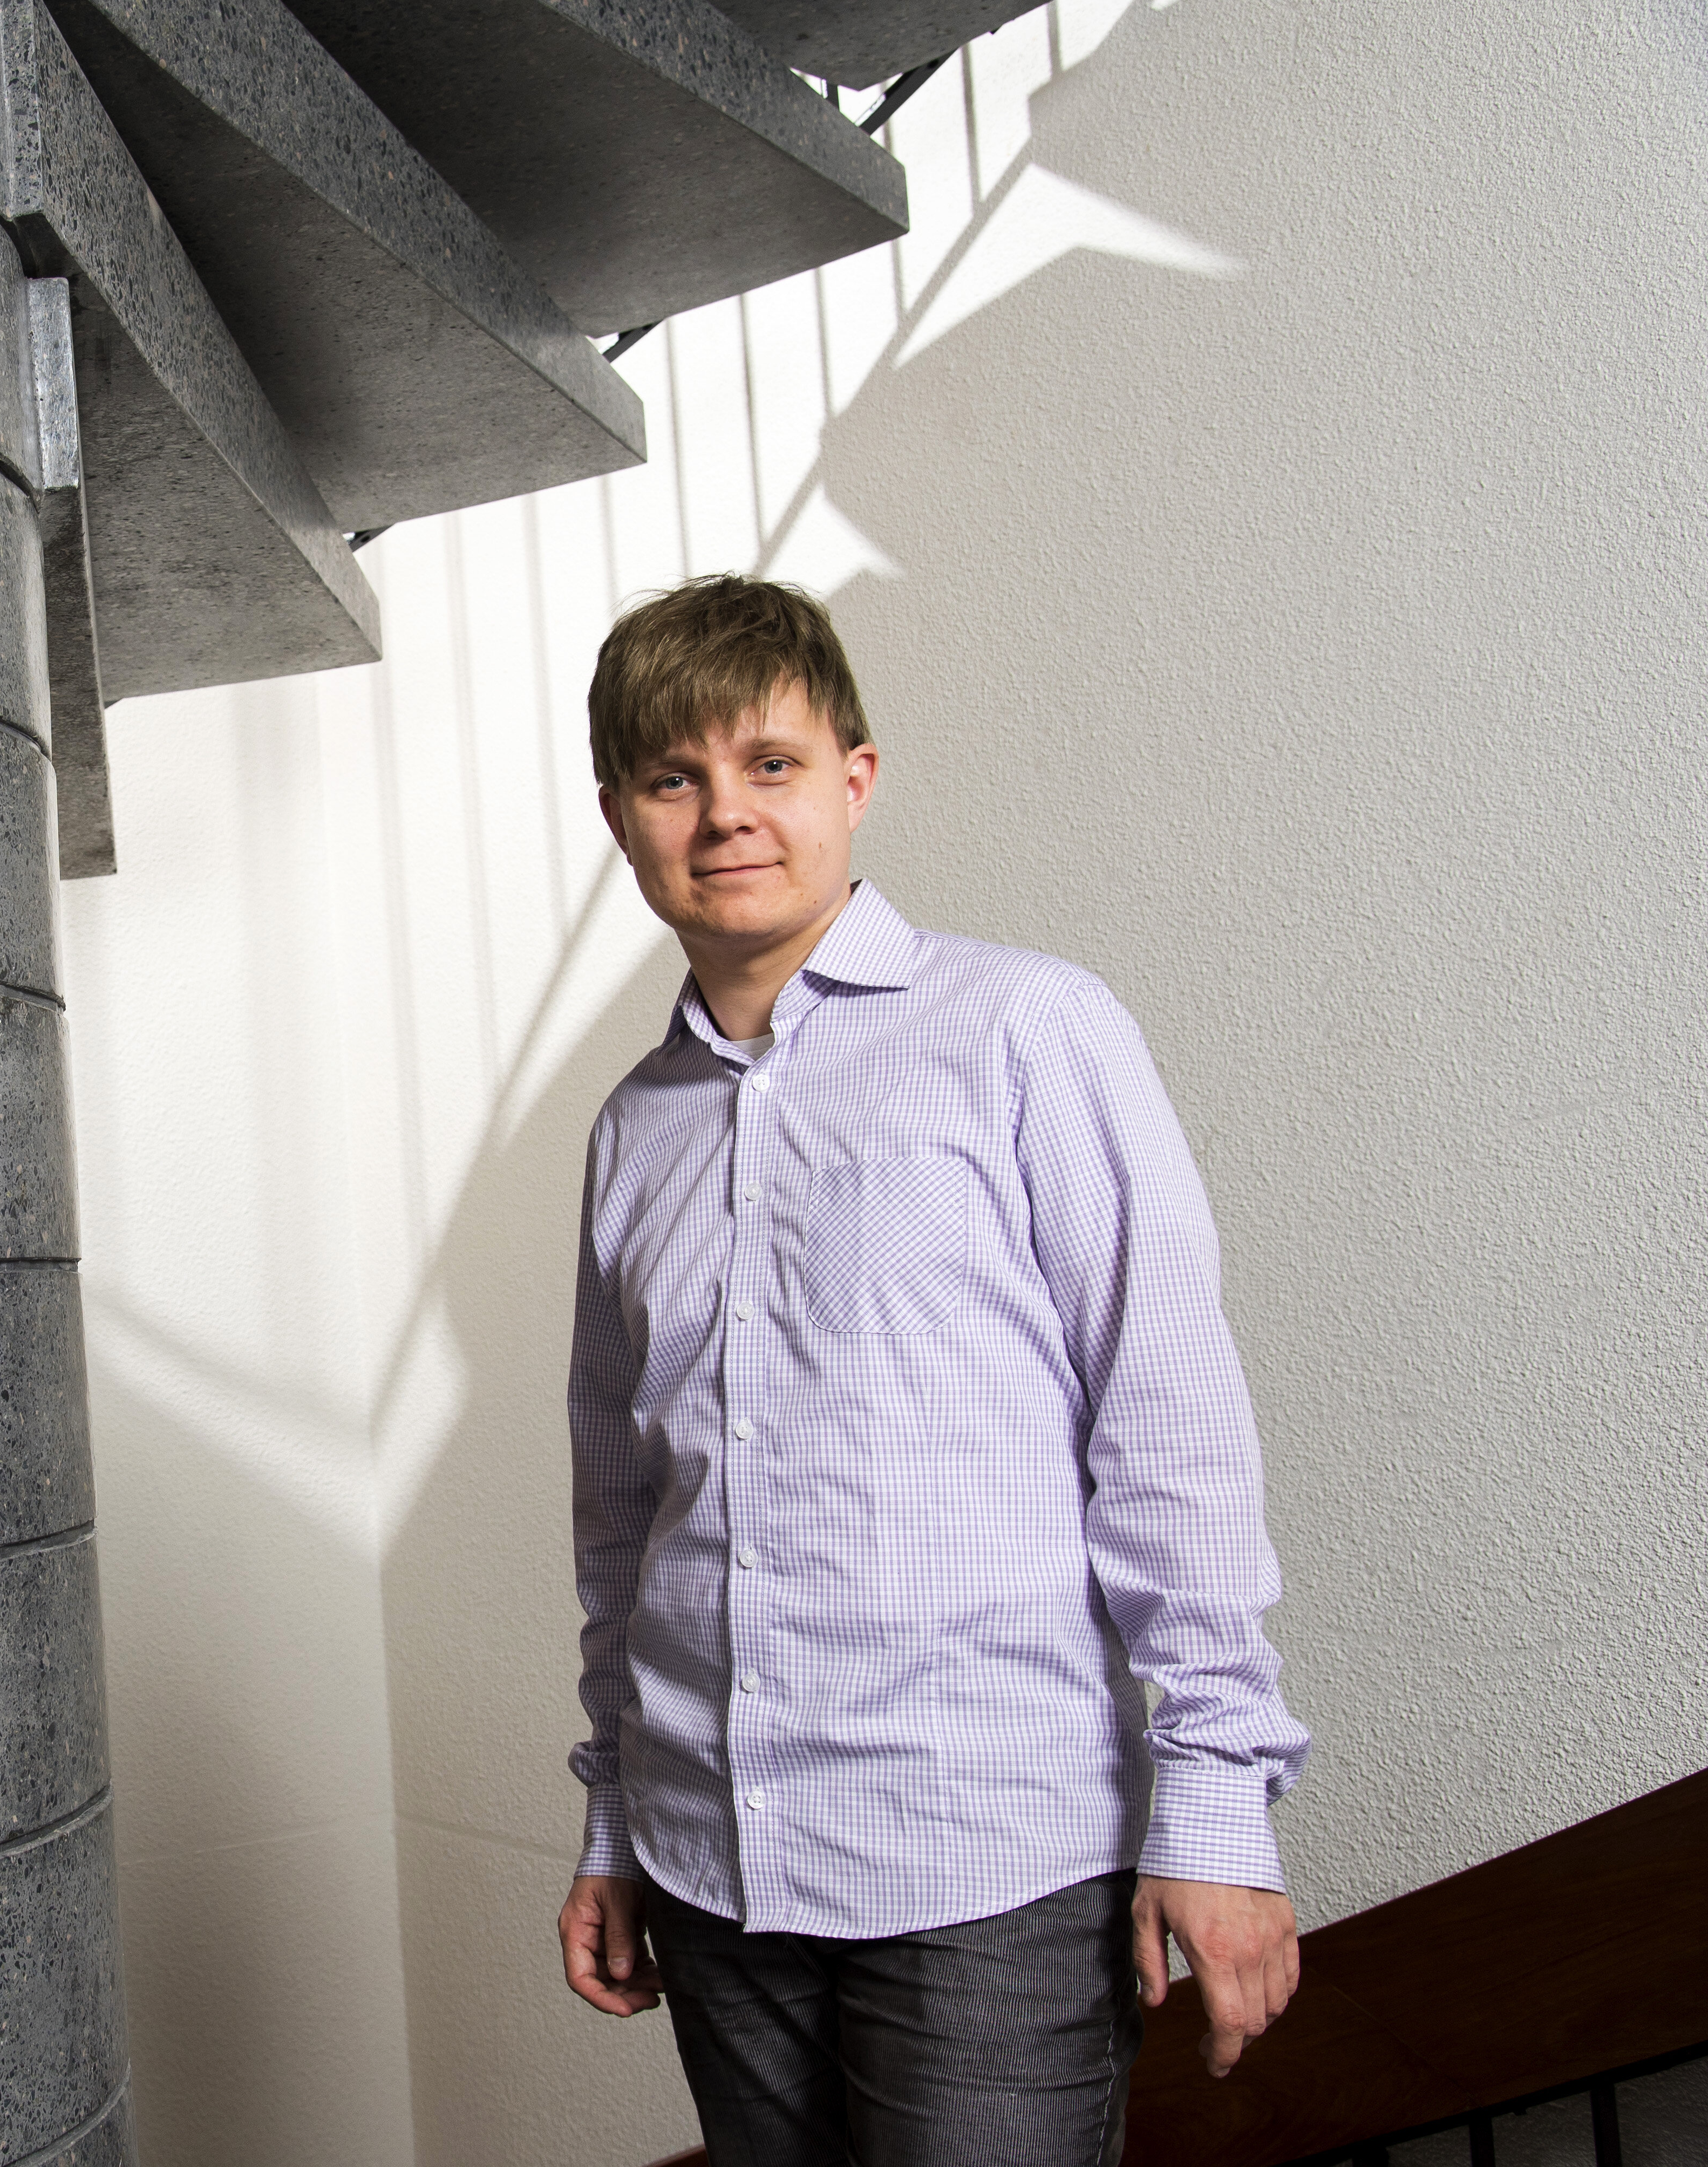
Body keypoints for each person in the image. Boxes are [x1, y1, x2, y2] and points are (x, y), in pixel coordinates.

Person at [552, 575, 1310, 2166]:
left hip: (989, 1865)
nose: (726, 816)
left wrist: (1217, 1801)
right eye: (673, 778)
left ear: (856, 778)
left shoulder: (1030, 1033)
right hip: (712, 1872)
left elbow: (1165, 1425)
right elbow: (624, 1517)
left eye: (769, 764)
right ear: (620, 814)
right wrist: (618, 1818)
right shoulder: (635, 1128)